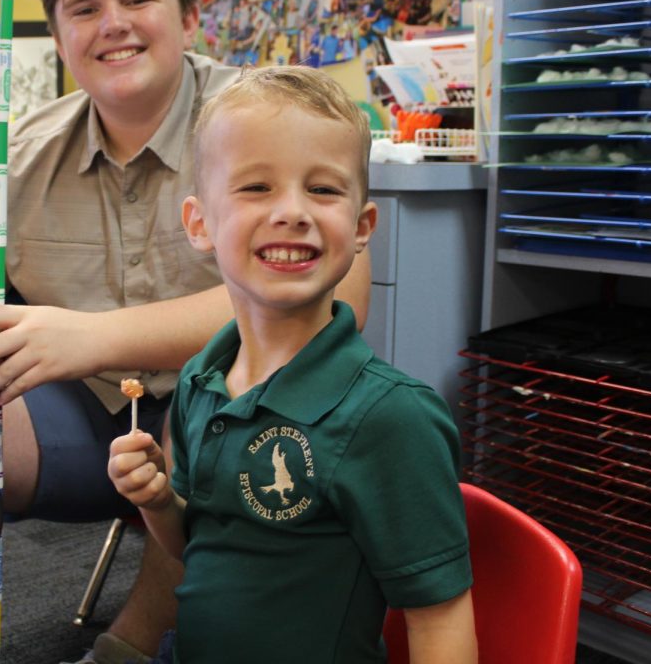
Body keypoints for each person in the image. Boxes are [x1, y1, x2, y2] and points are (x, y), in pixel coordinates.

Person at [0, 0, 374, 663]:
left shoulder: (267, 120)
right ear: (59, 40)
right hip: (85, 422)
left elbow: (339, 296)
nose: (112, 25)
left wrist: (90, 336)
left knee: (208, 409)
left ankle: (130, 643)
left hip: (235, 415)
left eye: (137, 0)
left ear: (188, 16)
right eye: (83, 10)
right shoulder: (18, 153)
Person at [108, 66, 476, 662]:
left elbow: (440, 621)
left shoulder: (391, 418)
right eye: (256, 187)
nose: (292, 211)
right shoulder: (203, 378)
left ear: (361, 228)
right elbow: (196, 545)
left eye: (324, 190)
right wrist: (156, 503)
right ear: (200, 224)